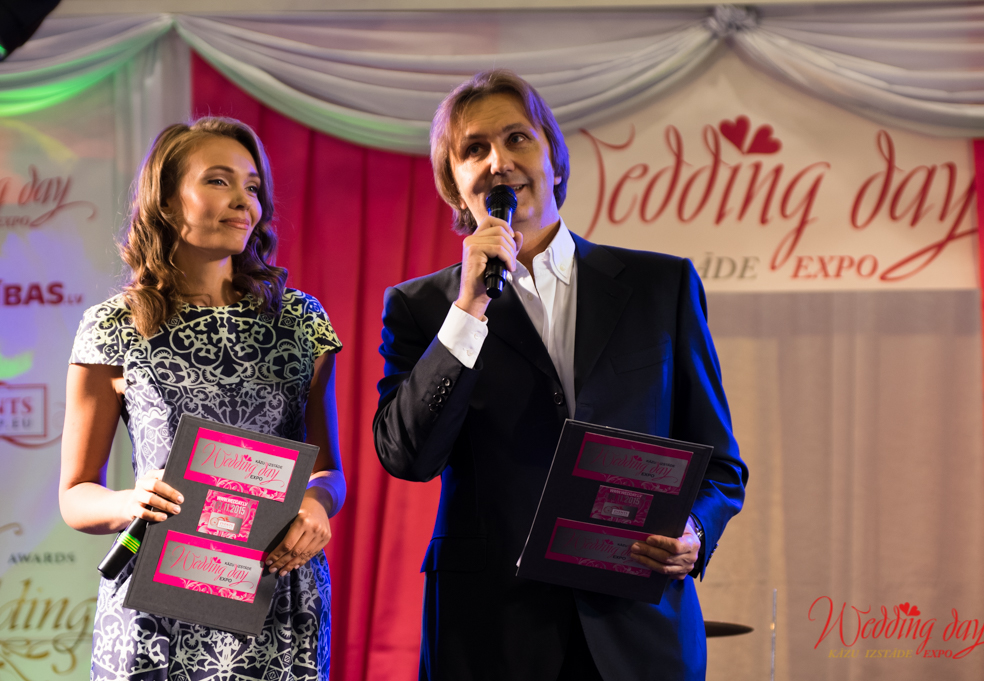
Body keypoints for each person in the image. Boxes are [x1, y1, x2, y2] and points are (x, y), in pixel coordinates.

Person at [373, 70, 748, 680]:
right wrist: (468, 309)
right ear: (454, 185)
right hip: (489, 633)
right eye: (474, 149)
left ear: (553, 159)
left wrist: (695, 531)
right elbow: (408, 457)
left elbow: (721, 464)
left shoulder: (661, 287)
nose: (498, 162)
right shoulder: (420, 307)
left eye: (517, 138)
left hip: (638, 629)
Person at [58, 117, 346, 681]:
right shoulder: (112, 326)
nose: (244, 201)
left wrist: (317, 506)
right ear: (166, 202)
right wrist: (130, 502)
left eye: (253, 187)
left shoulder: (301, 321)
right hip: (157, 604)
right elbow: (75, 496)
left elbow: (328, 470)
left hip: (275, 593)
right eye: (218, 181)